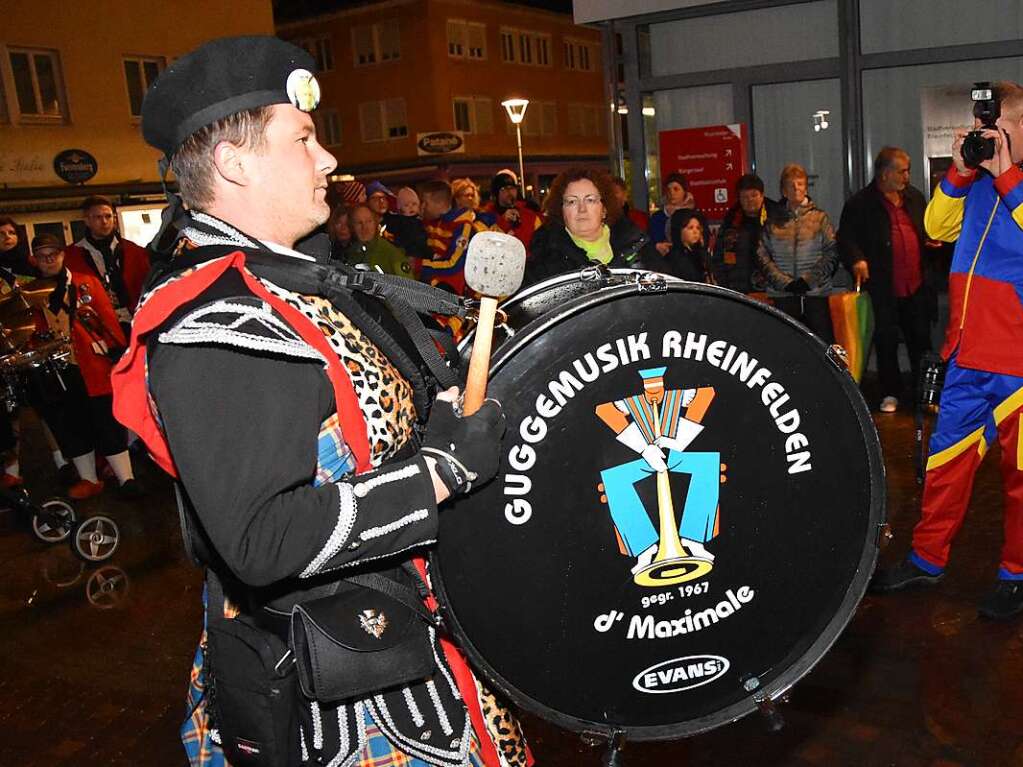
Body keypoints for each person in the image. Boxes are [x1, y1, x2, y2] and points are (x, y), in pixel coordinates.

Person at [114, 35, 523, 766]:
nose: (327, 159)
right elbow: (259, 539)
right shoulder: (219, 322)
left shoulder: (282, 282)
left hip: (395, 643)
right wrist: (436, 474)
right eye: (302, 138)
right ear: (235, 163)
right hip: (342, 698)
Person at [870, 82, 1023, 620]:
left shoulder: (1010, 181)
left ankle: (1016, 574)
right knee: (946, 466)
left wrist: (1006, 175)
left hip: (1018, 364)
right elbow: (935, 226)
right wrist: (962, 168)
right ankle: (926, 559)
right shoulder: (980, 178)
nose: (990, 139)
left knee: (1020, 478)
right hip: (966, 354)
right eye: (986, 130)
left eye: (1000, 130)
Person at [28, 233, 138, 499]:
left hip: (92, 366)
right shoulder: (28, 294)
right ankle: (89, 479)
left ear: (63, 254)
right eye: (42, 256)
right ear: (34, 260)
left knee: (106, 423)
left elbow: (110, 323)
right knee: (70, 425)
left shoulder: (86, 282)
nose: (49, 259)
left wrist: (118, 354)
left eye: (53, 253)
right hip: (56, 372)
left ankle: (127, 479)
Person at [838, 147, 932, 413]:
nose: (907, 176)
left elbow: (925, 228)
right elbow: (845, 239)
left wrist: (930, 241)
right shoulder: (860, 203)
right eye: (902, 171)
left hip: (915, 286)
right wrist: (857, 259)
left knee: (921, 342)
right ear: (886, 173)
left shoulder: (914, 198)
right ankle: (890, 392)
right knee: (886, 341)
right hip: (883, 288)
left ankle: (925, 395)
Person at [526, 167, 651, 286]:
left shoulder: (637, 246)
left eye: (590, 200)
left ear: (604, 209)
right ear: (561, 211)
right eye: (572, 201)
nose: (582, 209)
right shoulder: (543, 259)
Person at [756, 163, 838, 343]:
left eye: (800, 184)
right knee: (786, 345)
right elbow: (762, 256)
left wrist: (808, 280)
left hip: (815, 294)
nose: (796, 189)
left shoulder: (820, 218)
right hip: (783, 296)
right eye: (791, 185)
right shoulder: (772, 222)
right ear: (783, 191)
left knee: (822, 346)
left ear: (806, 187)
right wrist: (784, 283)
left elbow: (831, 252)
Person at [63, 195, 150, 334]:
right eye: (97, 217)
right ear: (86, 220)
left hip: (136, 319)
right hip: (97, 326)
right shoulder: (71, 256)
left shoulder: (134, 251)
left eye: (108, 216)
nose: (104, 222)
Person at [419, 179, 489, 294]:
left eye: (425, 203)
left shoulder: (463, 226)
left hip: (456, 295)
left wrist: (421, 265)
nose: (422, 207)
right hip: (439, 292)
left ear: (440, 204)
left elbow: (454, 264)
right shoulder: (438, 222)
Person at [711, 174, 779, 293]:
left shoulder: (777, 216)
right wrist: (725, 284)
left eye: (754, 195)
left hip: (772, 290)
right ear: (739, 199)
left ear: (762, 195)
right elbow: (719, 256)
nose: (750, 200)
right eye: (745, 197)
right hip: (738, 289)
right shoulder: (731, 220)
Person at [479, 172, 542, 257]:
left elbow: (541, 243)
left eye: (512, 188)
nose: (509, 192)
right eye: (504, 189)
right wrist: (503, 222)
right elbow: (486, 246)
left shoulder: (530, 216)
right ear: (496, 194)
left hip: (527, 265)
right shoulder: (486, 217)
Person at [345, 203, 413, 277]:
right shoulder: (350, 254)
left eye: (369, 221)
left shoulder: (391, 253)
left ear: (375, 223)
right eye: (359, 223)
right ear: (352, 227)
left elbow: (407, 285)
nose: (365, 228)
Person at [648, 209, 712, 283]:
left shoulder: (702, 255)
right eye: (690, 228)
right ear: (679, 231)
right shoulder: (673, 257)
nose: (695, 232)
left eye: (698, 228)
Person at [648, 172, 696, 257]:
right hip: (663, 263)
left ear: (684, 191)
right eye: (668, 190)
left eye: (676, 189)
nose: (672, 193)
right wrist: (656, 246)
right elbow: (649, 242)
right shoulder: (657, 217)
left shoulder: (694, 216)